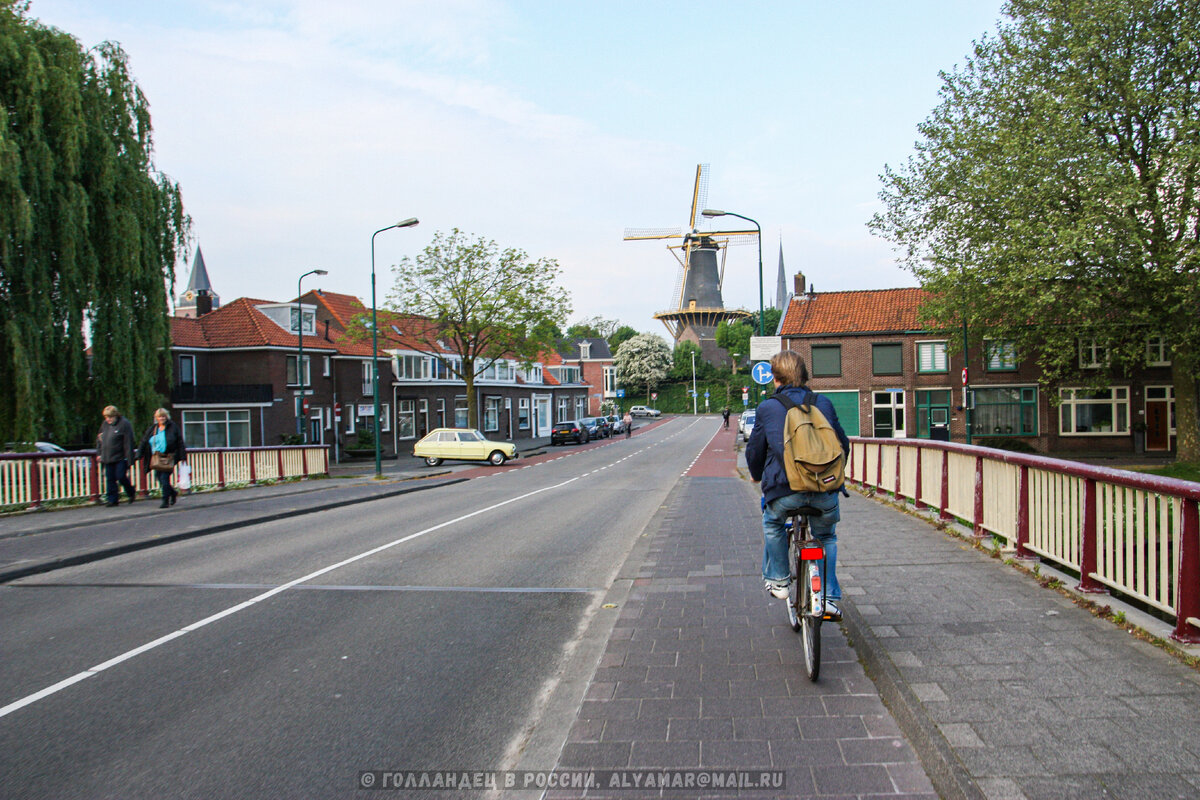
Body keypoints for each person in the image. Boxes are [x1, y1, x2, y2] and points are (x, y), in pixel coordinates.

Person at [745, 350, 850, 620]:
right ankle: (829, 598)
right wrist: (832, 478)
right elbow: (842, 444)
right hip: (824, 490)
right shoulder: (823, 403)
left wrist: (756, 475)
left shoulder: (768, 407)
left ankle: (779, 580)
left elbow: (755, 450)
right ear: (804, 376)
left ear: (775, 378)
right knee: (826, 536)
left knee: (773, 522)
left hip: (785, 491)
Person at [138, 407, 188, 508]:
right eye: (159, 417)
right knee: (159, 478)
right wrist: (139, 453)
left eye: (163, 416)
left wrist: (182, 456)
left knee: (164, 478)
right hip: (156, 457)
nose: (161, 418)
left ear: (166, 417)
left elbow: (180, 442)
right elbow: (144, 441)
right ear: (156, 418)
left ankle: (165, 500)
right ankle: (172, 493)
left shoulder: (173, 427)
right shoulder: (153, 428)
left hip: (168, 457)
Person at [96, 405, 137, 506]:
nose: (108, 420)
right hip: (107, 456)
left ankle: (131, 491)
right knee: (110, 478)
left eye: (110, 417)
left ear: (115, 416)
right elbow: (99, 439)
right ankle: (113, 500)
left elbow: (128, 442)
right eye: (106, 417)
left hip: (120, 457)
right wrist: (99, 453)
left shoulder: (124, 424)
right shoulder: (105, 424)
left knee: (121, 476)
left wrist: (130, 459)